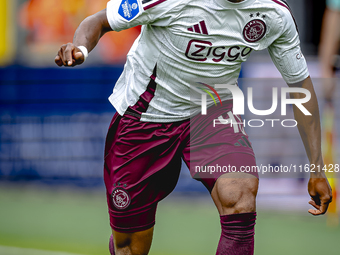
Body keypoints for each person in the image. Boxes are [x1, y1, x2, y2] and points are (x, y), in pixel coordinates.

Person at [55, 0, 332, 254]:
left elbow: (300, 87)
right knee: (131, 247)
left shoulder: (274, 14)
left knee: (241, 195)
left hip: (211, 109)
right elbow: (99, 20)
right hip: (146, 116)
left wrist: (317, 168)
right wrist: (79, 49)